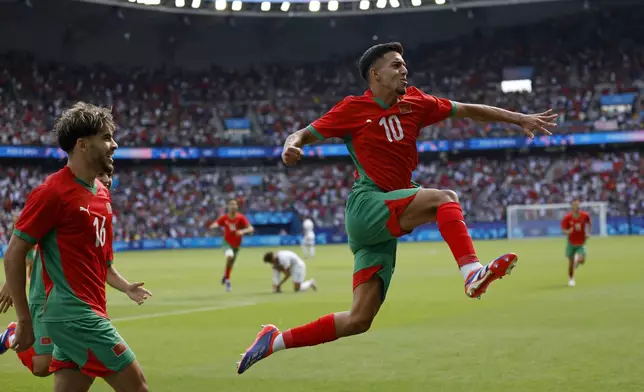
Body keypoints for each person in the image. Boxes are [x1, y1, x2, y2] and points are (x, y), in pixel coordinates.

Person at [236, 42, 557, 374]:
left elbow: (469, 109)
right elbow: (300, 134)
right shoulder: (352, 108)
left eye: (404, 65)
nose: (404, 70)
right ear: (375, 74)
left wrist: (519, 119)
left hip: (382, 220)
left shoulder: (417, 102)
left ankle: (273, 341)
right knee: (445, 199)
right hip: (367, 205)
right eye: (396, 65)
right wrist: (291, 147)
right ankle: (471, 272)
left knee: (359, 319)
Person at [2, 102, 151, 392]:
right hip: (75, 315)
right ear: (82, 144)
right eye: (106, 138)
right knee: (138, 387)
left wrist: (126, 287)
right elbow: (14, 252)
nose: (115, 145)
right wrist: (24, 320)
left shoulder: (102, 193)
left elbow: (102, 262)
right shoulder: (52, 192)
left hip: (90, 308)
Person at [0, 169, 140, 382]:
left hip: (83, 305)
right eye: (101, 174)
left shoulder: (102, 211)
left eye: (110, 176)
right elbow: (24, 242)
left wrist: (127, 287)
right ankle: (12, 334)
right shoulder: (63, 195)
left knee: (64, 368)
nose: (107, 179)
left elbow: (105, 266)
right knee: (42, 365)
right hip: (49, 295)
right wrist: (12, 281)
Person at [209, 199, 255, 292]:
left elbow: (251, 228)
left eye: (234, 204)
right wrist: (213, 226)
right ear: (228, 206)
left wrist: (243, 231)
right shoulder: (224, 218)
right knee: (229, 256)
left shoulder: (241, 218)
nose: (233, 206)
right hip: (226, 242)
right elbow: (216, 223)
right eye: (231, 204)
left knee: (230, 263)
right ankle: (228, 281)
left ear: (237, 207)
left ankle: (226, 277)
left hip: (236, 245)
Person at [560, 199, 591, 287]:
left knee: (582, 260)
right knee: (570, 263)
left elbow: (589, 223)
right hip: (571, 243)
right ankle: (571, 279)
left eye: (578, 205)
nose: (577, 207)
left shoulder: (585, 215)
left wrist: (588, 232)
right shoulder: (567, 218)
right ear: (572, 207)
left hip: (581, 242)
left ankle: (577, 260)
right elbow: (563, 230)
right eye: (575, 205)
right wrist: (567, 231)